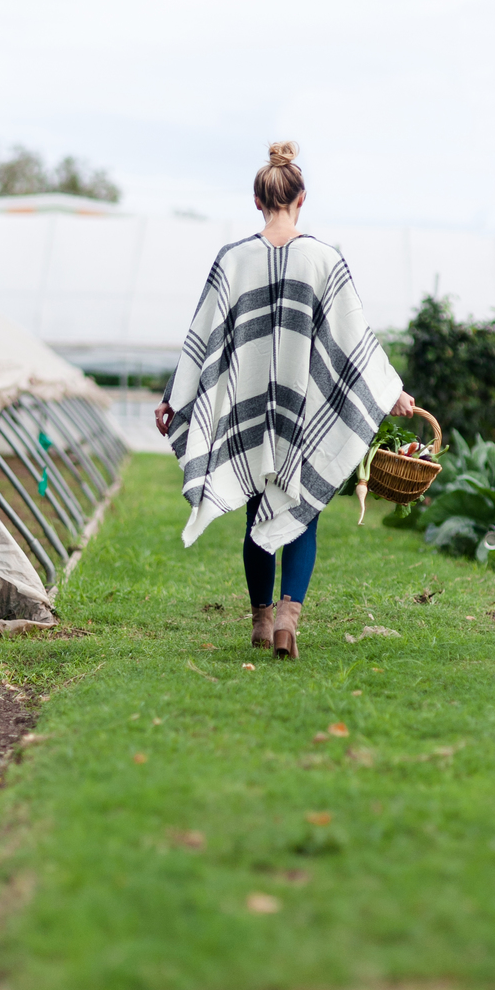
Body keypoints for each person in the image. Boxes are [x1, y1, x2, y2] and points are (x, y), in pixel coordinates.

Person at [155, 141, 415, 659]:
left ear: (258, 201)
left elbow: (202, 337)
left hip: (249, 410)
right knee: (302, 507)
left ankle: (260, 621)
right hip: (304, 411)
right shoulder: (325, 259)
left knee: (258, 507)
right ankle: (287, 623)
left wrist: (174, 398)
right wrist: (392, 392)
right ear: (302, 199)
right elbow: (353, 338)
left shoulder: (232, 260)